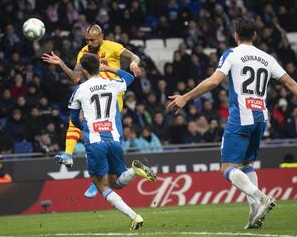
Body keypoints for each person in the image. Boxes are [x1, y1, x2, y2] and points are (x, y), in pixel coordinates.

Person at [167, 18, 297, 229]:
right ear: (254, 35)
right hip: (261, 118)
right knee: (246, 164)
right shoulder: (267, 58)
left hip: (241, 116)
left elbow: (214, 81)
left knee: (227, 168)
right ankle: (254, 214)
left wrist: (186, 97)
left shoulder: (231, 54)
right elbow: (291, 83)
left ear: (236, 35)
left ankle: (261, 198)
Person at [42, 24, 142, 198]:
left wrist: (133, 62)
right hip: (92, 94)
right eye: (87, 39)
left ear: (101, 37)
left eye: (92, 40)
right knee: (80, 123)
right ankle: (68, 154)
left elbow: (134, 56)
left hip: (112, 97)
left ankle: (97, 180)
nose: (89, 42)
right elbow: (76, 77)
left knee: (100, 138)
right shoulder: (84, 53)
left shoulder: (112, 47)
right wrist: (61, 64)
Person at [64, 54, 156, 230]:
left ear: (83, 70)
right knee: (117, 182)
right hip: (113, 139)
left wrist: (85, 126)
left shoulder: (80, 90)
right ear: (99, 67)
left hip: (95, 141)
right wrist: (110, 69)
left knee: (101, 185)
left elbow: (74, 118)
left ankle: (135, 216)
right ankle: (134, 170)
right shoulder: (112, 84)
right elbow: (130, 77)